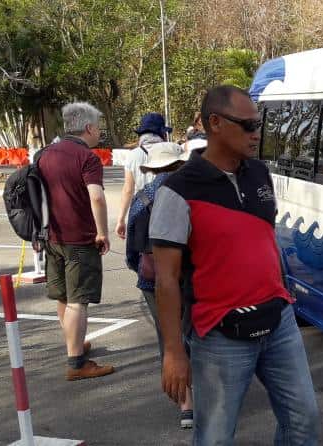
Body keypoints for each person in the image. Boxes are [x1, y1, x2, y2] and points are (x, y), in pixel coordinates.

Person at [151, 85, 319, 445]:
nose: (256, 132)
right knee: (214, 437)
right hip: (219, 334)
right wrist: (173, 352)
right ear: (214, 123)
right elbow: (166, 279)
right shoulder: (177, 190)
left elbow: (260, 242)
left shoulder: (259, 173)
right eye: (247, 125)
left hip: (278, 321)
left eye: (258, 124)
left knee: (304, 421)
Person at [37, 102, 114, 380]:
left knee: (63, 296)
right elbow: (96, 196)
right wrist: (102, 231)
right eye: (98, 127)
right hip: (79, 239)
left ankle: (75, 344)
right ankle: (77, 362)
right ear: (89, 127)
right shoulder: (87, 158)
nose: (99, 133)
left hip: (51, 236)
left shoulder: (45, 153)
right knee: (78, 300)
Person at [124, 141, 193, 428]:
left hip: (153, 279)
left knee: (169, 337)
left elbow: (131, 248)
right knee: (194, 333)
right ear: (180, 164)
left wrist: (138, 269)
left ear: (151, 169)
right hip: (190, 276)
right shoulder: (193, 193)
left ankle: (186, 405)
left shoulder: (142, 197)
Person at [115, 112, 172, 239]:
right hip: (168, 211)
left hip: (142, 211)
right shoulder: (172, 150)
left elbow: (128, 190)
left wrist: (121, 219)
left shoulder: (133, 155)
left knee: (144, 254)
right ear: (162, 133)